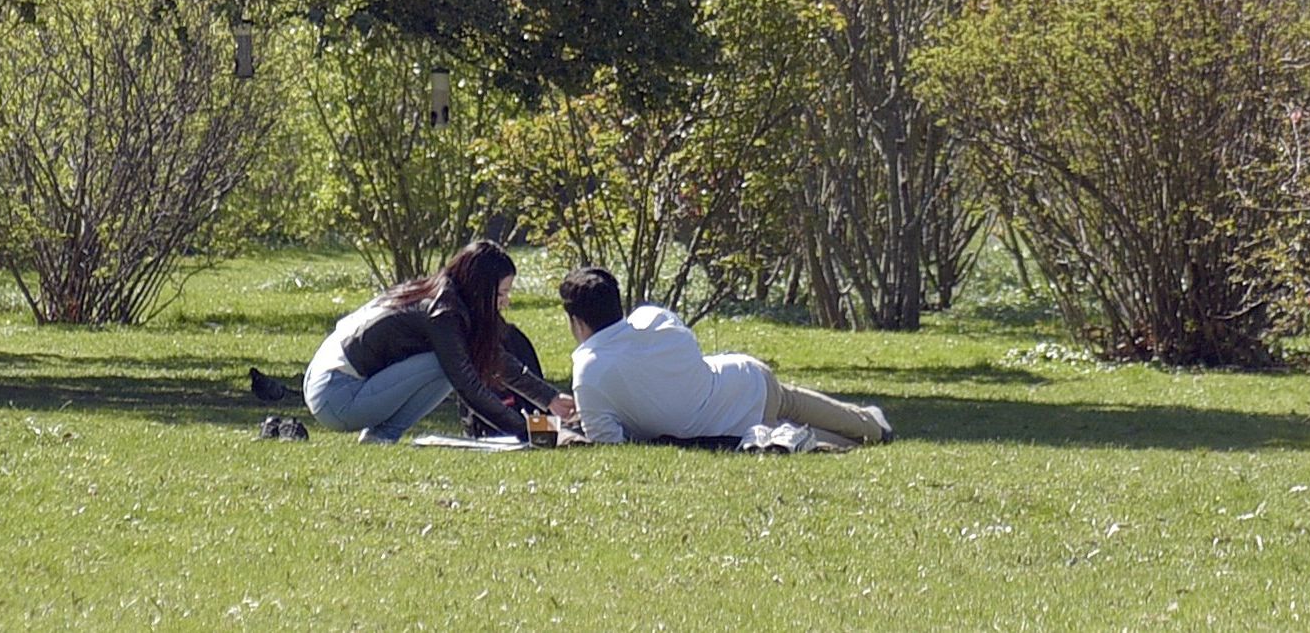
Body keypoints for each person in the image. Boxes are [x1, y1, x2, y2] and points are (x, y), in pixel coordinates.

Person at [557, 266, 893, 446]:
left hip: (730, 427)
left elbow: (608, 441)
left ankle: (863, 436)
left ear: (576, 321)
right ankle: (871, 426)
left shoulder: (590, 372)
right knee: (793, 404)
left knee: (799, 429)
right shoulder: (652, 320)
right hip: (744, 381)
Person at [305, 240, 577, 444]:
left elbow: (494, 358)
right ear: (480, 290)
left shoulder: (447, 298)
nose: (506, 302)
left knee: (451, 362)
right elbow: (467, 384)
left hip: (330, 384)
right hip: (335, 395)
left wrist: (549, 398)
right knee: (445, 364)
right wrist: (530, 432)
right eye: (501, 294)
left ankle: (380, 437)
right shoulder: (443, 313)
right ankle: (384, 435)